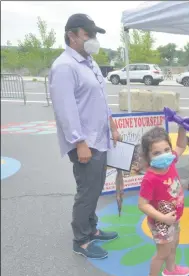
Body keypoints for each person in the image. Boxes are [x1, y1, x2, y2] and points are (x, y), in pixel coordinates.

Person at [50, 14, 121, 259]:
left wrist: (112, 125)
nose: (93, 39)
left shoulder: (88, 62)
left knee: (96, 186)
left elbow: (101, 99)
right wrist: (79, 143)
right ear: (72, 35)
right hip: (85, 142)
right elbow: (65, 110)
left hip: (99, 138)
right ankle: (80, 240)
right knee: (87, 190)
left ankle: (91, 228)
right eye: (88, 34)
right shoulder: (64, 67)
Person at [138, 126, 189, 276]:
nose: (164, 155)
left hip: (173, 218)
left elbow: (181, 145)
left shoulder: (171, 161)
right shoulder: (150, 178)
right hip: (161, 222)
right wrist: (162, 218)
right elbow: (142, 204)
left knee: (173, 244)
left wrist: (182, 128)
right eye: (156, 153)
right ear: (148, 156)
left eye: (166, 149)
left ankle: (171, 269)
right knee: (162, 253)